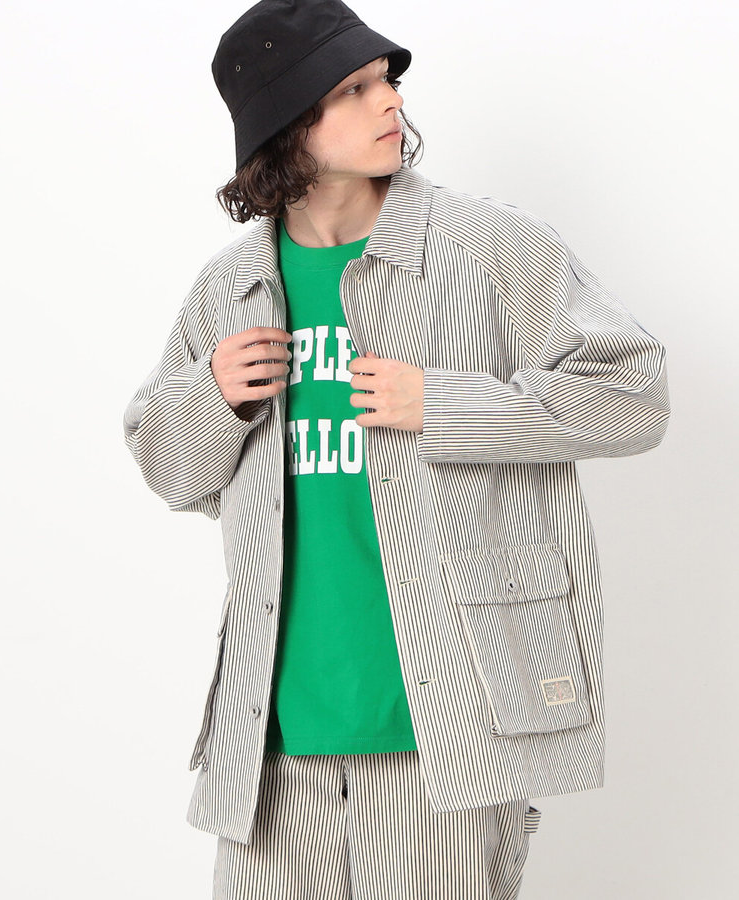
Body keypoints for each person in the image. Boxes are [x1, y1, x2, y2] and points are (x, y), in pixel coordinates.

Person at [122, 1, 671, 898]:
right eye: (352, 88)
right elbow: (167, 469)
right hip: (269, 750)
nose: (392, 101)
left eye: (386, 79)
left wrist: (444, 404)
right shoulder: (230, 289)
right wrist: (211, 397)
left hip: (445, 735)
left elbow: (634, 395)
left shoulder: (487, 248)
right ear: (287, 124)